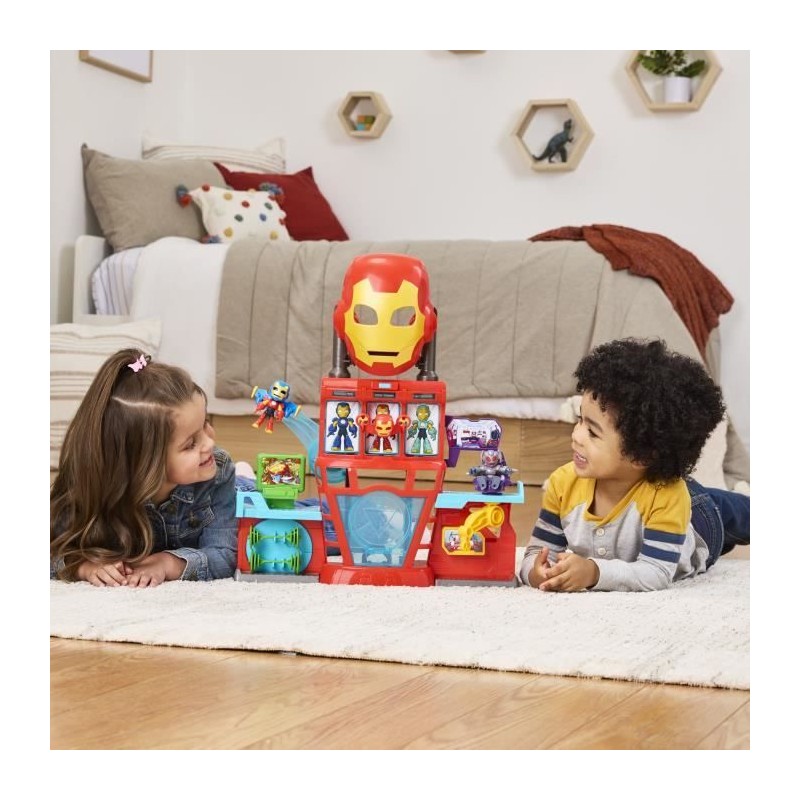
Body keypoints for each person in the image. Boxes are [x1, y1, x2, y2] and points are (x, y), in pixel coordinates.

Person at [519, 338, 750, 593]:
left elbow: (656, 572)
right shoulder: (563, 484)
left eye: (592, 432)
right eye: (580, 420)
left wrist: (594, 572)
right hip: (660, 492)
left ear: (640, 455)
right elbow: (536, 553)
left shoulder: (667, 497)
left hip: (701, 517)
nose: (576, 435)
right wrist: (537, 572)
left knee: (744, 515)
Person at [50, 349, 238, 587]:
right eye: (190, 444)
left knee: (249, 493)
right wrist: (84, 566)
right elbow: (52, 553)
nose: (209, 442)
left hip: (234, 487)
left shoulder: (218, 470)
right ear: (144, 462)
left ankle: (244, 476)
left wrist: (168, 563)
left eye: (205, 424)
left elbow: (225, 554)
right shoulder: (89, 486)